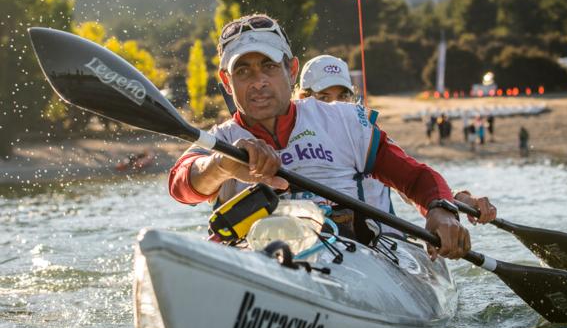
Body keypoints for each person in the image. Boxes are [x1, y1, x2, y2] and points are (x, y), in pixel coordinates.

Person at [168, 13, 497, 261]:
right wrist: (221, 167)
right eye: (243, 72)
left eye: (268, 67)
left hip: (353, 262)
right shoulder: (219, 140)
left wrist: (439, 210)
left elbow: (415, 177)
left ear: (291, 70)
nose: (258, 82)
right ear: (226, 82)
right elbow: (180, 185)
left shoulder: (343, 120)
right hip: (261, 268)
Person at [296, 54, 402, 238]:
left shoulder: (369, 137)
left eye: (343, 96)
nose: (336, 105)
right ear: (304, 98)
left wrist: (445, 201)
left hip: (388, 243)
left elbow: (407, 181)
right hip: (327, 241)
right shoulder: (295, 147)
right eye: (324, 97)